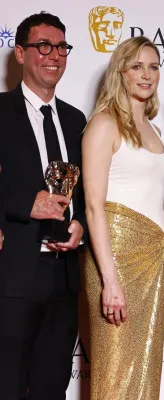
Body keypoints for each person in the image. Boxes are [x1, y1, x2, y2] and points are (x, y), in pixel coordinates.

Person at [82, 36, 164, 399]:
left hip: (152, 258)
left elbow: (153, 201)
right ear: (120, 73)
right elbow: (94, 207)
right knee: (115, 370)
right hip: (115, 256)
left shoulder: (154, 129)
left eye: (153, 66)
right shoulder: (104, 124)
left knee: (145, 367)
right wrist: (109, 281)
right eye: (136, 66)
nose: (146, 75)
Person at [0, 12, 86, 399]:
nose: (54, 55)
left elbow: (87, 192)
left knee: (53, 386)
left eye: (62, 47)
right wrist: (25, 203)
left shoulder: (75, 119)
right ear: (20, 53)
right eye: (44, 46)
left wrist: (81, 224)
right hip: (13, 273)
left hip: (64, 276)